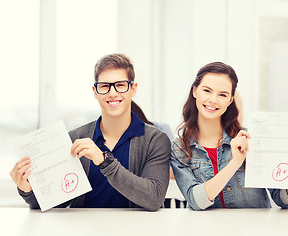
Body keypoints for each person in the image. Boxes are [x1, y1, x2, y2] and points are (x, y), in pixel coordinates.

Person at [10, 53, 171, 211]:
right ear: (95, 91)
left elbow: (154, 198)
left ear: (133, 89)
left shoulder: (155, 140)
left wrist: (103, 160)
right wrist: (28, 190)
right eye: (104, 86)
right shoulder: (76, 138)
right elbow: (57, 202)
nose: (113, 93)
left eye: (121, 85)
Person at [170, 61, 288, 210]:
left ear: (230, 100)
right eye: (207, 90)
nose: (213, 100)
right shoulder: (179, 149)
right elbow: (196, 201)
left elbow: (283, 200)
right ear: (195, 91)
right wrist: (235, 163)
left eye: (222, 94)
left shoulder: (251, 139)